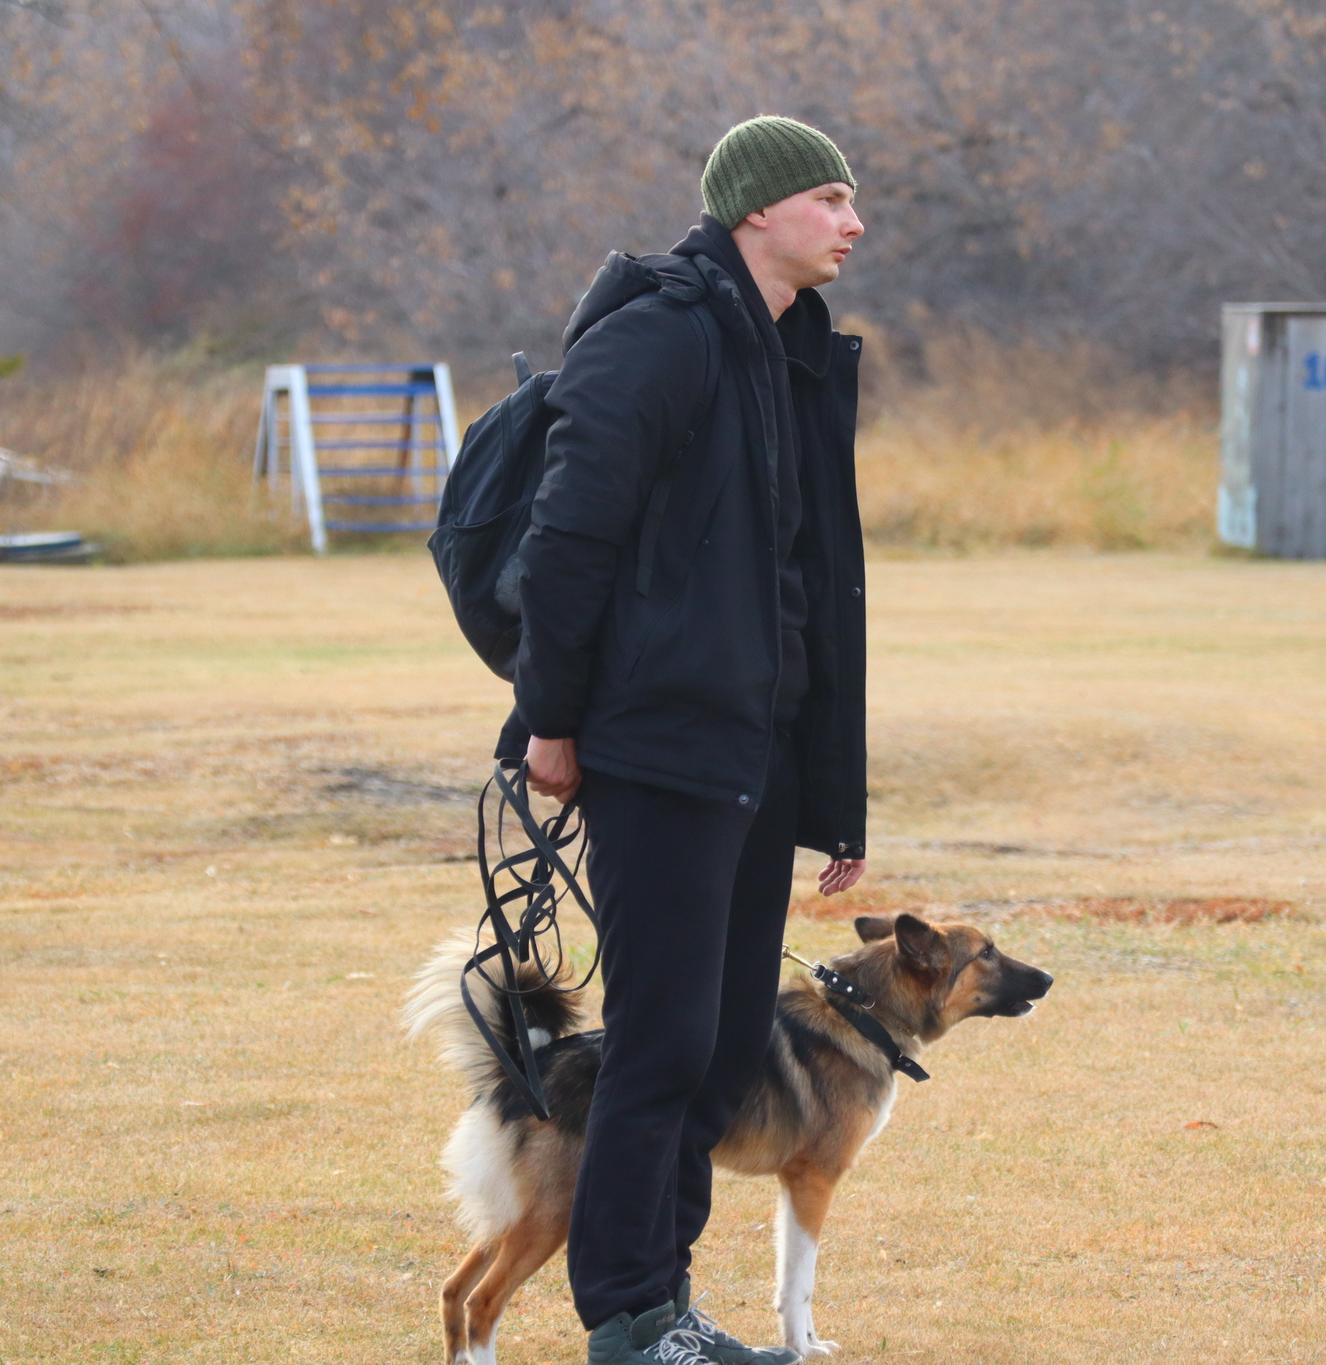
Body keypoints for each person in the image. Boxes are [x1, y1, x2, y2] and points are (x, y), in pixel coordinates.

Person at [505, 116, 869, 1365]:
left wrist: (826, 788)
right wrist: (551, 715)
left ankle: (670, 1304)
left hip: (746, 750)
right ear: (758, 210)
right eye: (830, 197)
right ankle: (624, 1318)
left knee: (714, 1047)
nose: (852, 222)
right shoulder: (658, 336)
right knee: (659, 1042)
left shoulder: (784, 351)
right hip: (654, 744)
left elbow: (801, 579)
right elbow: (567, 539)